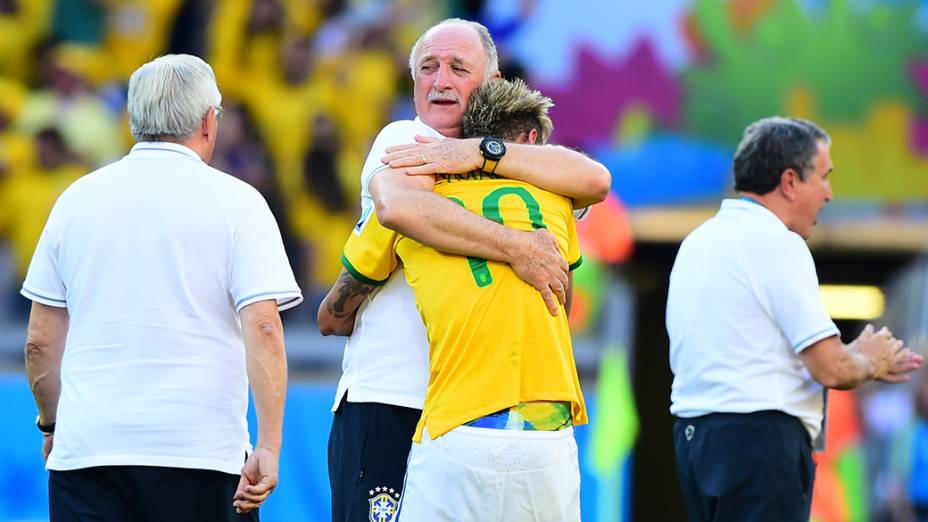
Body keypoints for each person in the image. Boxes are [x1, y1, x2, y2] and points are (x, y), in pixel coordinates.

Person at [318, 18, 610, 522]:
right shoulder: (408, 137)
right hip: (391, 396)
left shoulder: (504, 161)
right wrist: (518, 247)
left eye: (458, 67)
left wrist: (482, 150)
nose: (440, 81)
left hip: (465, 412)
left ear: (491, 84)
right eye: (427, 69)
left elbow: (593, 179)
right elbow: (402, 209)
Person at [22, 54, 301, 521]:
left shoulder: (76, 200)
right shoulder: (239, 203)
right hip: (202, 455)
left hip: (90, 455)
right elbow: (265, 329)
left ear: (133, 120)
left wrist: (53, 426)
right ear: (209, 122)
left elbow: (39, 342)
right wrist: (269, 445)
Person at [666, 116, 923, 522]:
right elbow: (831, 369)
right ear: (789, 181)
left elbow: (758, 354)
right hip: (759, 446)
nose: (829, 193)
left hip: (697, 442)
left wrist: (851, 352)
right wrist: (872, 360)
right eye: (823, 177)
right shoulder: (776, 243)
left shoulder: (699, 242)